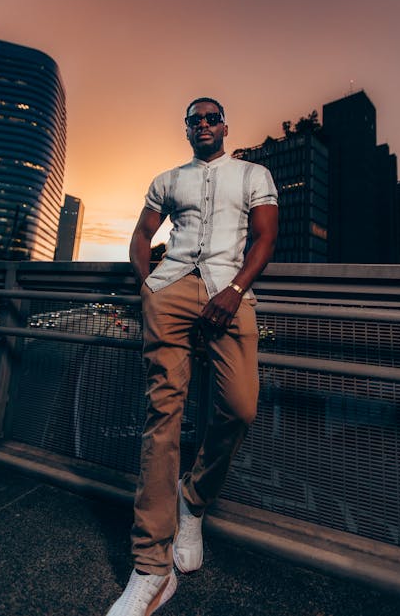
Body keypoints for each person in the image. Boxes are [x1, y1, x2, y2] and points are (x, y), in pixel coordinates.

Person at [106, 97, 278, 616]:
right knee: (163, 419)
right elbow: (142, 235)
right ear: (186, 130)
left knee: (241, 406)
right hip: (171, 289)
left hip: (232, 291)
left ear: (225, 125)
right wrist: (147, 287)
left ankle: (193, 498)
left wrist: (235, 289)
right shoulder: (167, 179)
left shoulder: (253, 173)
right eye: (194, 119)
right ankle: (151, 569)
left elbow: (266, 238)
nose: (203, 124)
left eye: (211, 117)